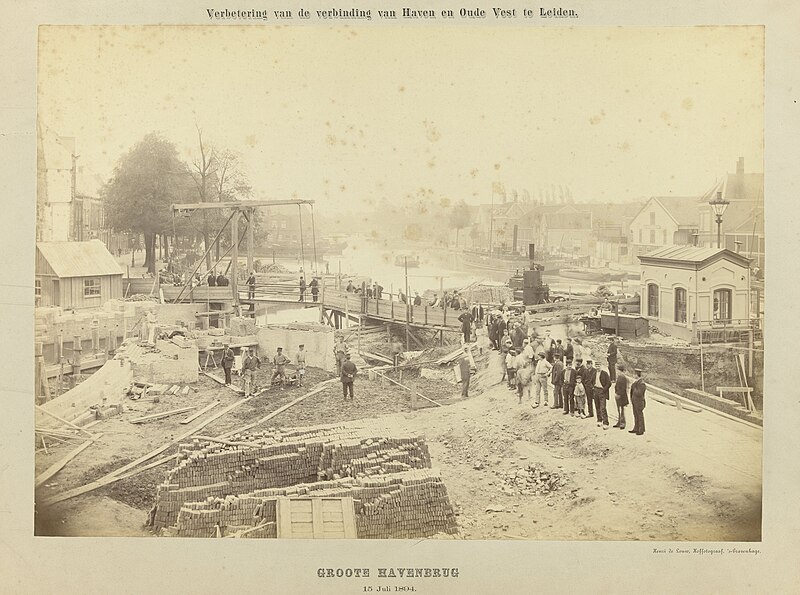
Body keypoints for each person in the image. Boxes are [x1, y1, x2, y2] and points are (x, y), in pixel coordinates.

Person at [592, 360, 612, 429]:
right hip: (596, 390)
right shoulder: (594, 373)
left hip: (602, 391)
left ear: (601, 366)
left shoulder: (605, 373)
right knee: (597, 406)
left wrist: (604, 390)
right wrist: (593, 388)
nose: (598, 367)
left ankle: (605, 423)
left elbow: (609, 383)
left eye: (599, 366)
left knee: (603, 407)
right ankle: (599, 420)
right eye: (596, 366)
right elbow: (591, 381)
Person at [629, 368, 647, 435]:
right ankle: (636, 428)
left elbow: (639, 393)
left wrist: (634, 386)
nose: (634, 375)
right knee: (635, 415)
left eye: (634, 374)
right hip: (635, 401)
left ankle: (641, 429)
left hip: (639, 402)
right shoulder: (637, 382)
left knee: (639, 416)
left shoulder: (641, 383)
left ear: (637, 375)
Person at [613, 363, 629, 429]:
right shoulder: (620, 377)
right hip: (619, 395)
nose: (617, 371)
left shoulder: (622, 377)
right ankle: (619, 422)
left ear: (620, 370)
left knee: (621, 410)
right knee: (619, 409)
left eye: (617, 370)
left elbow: (623, 388)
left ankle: (622, 423)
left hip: (621, 396)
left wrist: (618, 394)